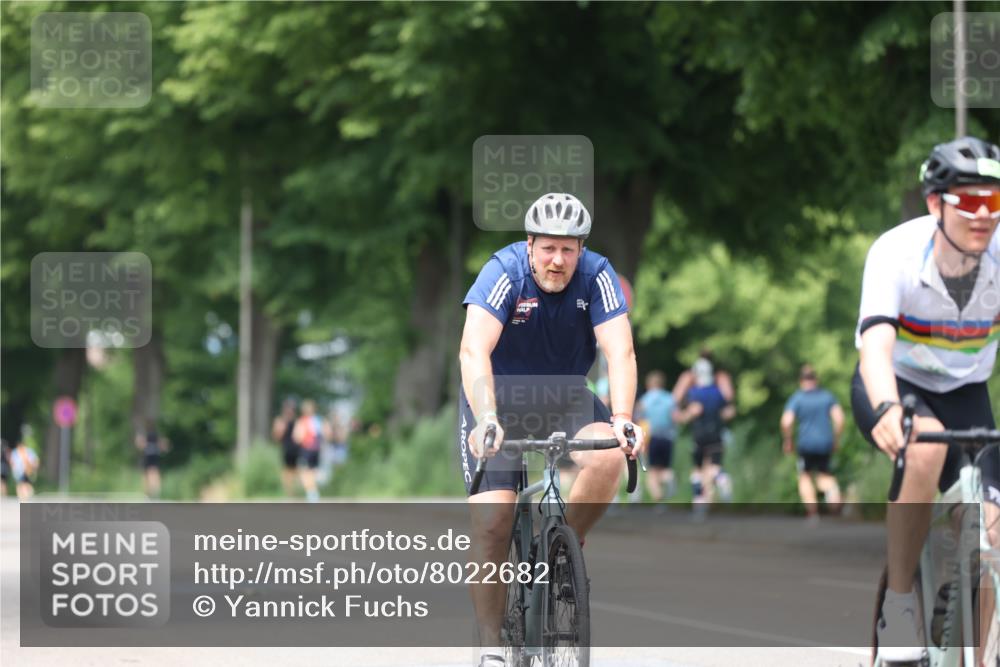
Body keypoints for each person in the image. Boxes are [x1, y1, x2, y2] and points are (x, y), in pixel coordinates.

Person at [458, 192, 645, 667]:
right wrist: (486, 418)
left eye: (568, 249)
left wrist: (622, 417)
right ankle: (491, 648)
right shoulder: (503, 273)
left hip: (563, 395)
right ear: (530, 244)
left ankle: (562, 551)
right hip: (497, 399)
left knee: (607, 455)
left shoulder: (598, 276)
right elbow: (472, 350)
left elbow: (619, 351)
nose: (557, 260)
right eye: (548, 248)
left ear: (581, 248)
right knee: (493, 524)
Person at [852, 136, 1000, 663]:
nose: (984, 216)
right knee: (925, 449)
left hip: (967, 392)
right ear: (936, 203)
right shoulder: (895, 252)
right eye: (970, 202)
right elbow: (875, 347)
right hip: (896, 382)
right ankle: (899, 605)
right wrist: (890, 408)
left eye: (995, 202)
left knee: (992, 531)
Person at [780, 364, 844, 523]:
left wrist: (788, 440)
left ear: (801, 381)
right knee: (825, 475)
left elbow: (786, 421)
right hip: (825, 442)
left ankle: (813, 513)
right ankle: (832, 492)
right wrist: (836, 439)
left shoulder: (798, 398)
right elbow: (840, 419)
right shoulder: (827, 396)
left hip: (806, 444)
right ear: (816, 379)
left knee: (805, 476)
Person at [672, 352, 735, 506]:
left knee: (697, 470)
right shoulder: (717, 392)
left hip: (699, 434)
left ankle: (698, 501)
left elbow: (682, 407)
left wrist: (683, 416)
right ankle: (722, 478)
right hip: (717, 433)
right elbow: (727, 409)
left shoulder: (694, 393)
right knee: (715, 466)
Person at [635, 370, 677, 502]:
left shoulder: (645, 400)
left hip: (652, 438)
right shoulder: (669, 398)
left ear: (649, 384)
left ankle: (658, 499)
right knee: (665, 468)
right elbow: (675, 416)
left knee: (652, 471)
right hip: (668, 437)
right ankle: (669, 478)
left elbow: (638, 418)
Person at [292, 399, 331, 503]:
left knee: (305, 472)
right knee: (312, 472)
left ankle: (312, 493)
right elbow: (327, 434)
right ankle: (313, 492)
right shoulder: (319, 420)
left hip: (306, 450)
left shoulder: (302, 421)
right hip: (316, 450)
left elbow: (297, 437)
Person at [134, 419, 169, 500]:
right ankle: (151, 495)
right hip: (150, 458)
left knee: (151, 476)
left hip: (151, 458)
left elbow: (140, 445)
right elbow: (140, 445)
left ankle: (153, 495)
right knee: (149, 477)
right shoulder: (151, 436)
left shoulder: (154, 436)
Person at [271, 398, 299, 497]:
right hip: (290, 448)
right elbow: (277, 436)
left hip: (292, 449)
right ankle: (290, 493)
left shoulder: (291, 421)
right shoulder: (286, 420)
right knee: (289, 471)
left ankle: (291, 493)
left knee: (291, 472)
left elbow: (277, 437)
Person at [10, 436, 40, 501]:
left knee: (24, 484)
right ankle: (23, 497)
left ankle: (25, 496)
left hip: (27, 470)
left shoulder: (28, 451)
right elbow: (12, 462)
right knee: (22, 484)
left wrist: (34, 468)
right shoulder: (16, 452)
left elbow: (34, 461)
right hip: (20, 471)